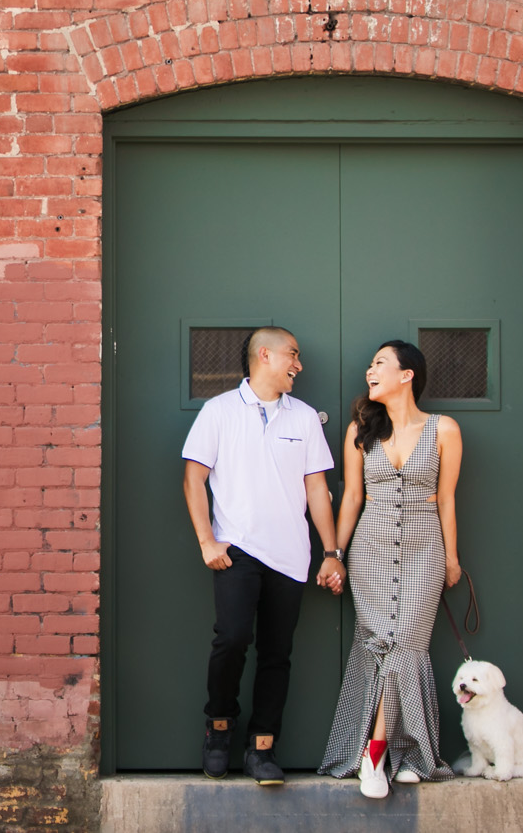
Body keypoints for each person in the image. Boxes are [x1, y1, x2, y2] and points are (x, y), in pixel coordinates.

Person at [181, 325, 344, 785]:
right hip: (237, 551)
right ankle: (218, 727)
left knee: (278, 654)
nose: (299, 365)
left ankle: (262, 747)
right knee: (231, 639)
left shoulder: (305, 417)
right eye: (293, 354)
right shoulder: (219, 411)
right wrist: (206, 541)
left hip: (291, 555)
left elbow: (317, 489)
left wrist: (330, 552)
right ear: (265, 355)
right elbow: (194, 478)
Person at [319, 340, 463, 798]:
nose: (369, 370)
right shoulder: (359, 430)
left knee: (406, 645)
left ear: (408, 375)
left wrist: (452, 558)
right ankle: (403, 755)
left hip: (425, 548)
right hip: (371, 548)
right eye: (369, 363)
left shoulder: (444, 429)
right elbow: (352, 499)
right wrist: (334, 555)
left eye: (379, 363)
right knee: (378, 642)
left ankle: (375, 753)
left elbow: (446, 499)